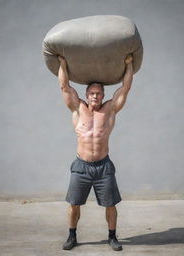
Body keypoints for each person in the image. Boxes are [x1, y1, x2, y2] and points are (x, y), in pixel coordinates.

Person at [57, 54, 133, 251]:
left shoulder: (110, 110)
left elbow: (125, 88)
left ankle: (112, 237)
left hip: (103, 165)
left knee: (111, 205)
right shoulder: (77, 108)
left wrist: (129, 64)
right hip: (81, 165)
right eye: (92, 93)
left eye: (99, 93)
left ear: (103, 95)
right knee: (74, 204)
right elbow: (65, 87)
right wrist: (63, 64)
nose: (95, 96)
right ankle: (72, 236)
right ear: (87, 94)